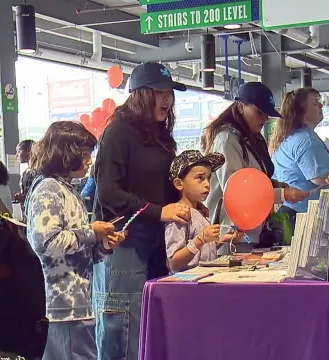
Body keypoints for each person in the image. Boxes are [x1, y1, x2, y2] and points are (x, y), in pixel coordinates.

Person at [92, 62, 190, 360]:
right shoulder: (119, 132)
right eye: (158, 93)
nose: (166, 100)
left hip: (157, 245)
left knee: (151, 325)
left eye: (169, 93)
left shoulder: (160, 136)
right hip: (125, 243)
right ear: (139, 95)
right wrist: (159, 211)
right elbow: (108, 192)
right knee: (124, 330)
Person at [26, 121, 126, 360]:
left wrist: (103, 245)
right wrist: (91, 233)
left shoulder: (68, 190)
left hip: (76, 305)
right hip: (61, 306)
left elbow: (77, 249)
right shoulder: (49, 189)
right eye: (84, 155)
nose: (89, 161)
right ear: (66, 153)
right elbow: (46, 243)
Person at [202, 82, 309, 252]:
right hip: (231, 235)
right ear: (240, 106)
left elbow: (254, 180)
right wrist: (281, 194)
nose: (264, 119)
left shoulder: (252, 139)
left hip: (253, 231)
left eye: (266, 114)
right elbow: (236, 191)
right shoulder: (227, 140)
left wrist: (276, 185)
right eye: (259, 112)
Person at [269, 88, 329, 231]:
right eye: (315, 103)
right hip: (302, 217)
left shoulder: (288, 139)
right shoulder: (306, 140)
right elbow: (322, 178)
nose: (321, 106)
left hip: (289, 214)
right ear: (302, 114)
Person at [165, 150, 240, 272]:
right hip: (188, 286)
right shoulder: (179, 214)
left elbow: (202, 252)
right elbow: (174, 263)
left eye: (208, 178)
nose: (207, 184)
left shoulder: (200, 211)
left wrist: (223, 239)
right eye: (200, 178)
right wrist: (201, 239)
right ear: (179, 184)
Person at [14, 139, 36, 220]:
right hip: (26, 214)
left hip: (33, 215)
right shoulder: (26, 172)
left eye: (19, 151)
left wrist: (24, 197)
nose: (16, 155)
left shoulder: (37, 172)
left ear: (28, 151)